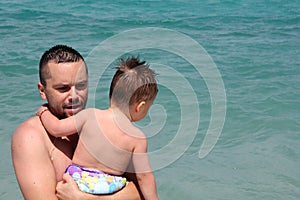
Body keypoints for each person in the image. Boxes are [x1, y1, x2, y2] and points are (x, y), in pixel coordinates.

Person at [11, 45, 141, 200]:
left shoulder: (100, 126)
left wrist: (87, 198)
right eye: (63, 88)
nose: (74, 96)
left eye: (81, 86)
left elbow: (141, 191)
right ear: (42, 91)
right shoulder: (31, 136)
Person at [37, 57, 159, 200]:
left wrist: (43, 112)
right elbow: (144, 177)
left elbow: (56, 129)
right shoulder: (137, 137)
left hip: (77, 180)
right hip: (108, 188)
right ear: (141, 106)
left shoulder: (89, 115)